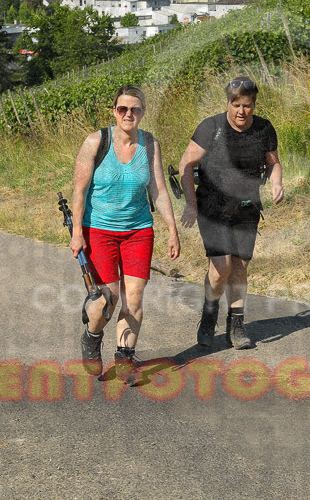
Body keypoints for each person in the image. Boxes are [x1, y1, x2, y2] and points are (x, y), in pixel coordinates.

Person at [69, 85, 180, 372]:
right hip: (100, 230)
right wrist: (77, 233)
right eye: (123, 109)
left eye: (135, 109)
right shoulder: (96, 142)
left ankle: (124, 358)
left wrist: (172, 230)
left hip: (138, 230)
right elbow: (79, 192)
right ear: (114, 111)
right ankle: (92, 337)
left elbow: (158, 190)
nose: (128, 114)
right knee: (108, 299)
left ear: (142, 112)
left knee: (134, 296)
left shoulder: (150, 144)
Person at [178, 76, 283, 349]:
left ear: (253, 105)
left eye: (247, 106)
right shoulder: (210, 127)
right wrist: (191, 204)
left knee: (240, 267)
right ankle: (209, 316)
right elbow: (186, 165)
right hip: (212, 206)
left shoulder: (263, 129)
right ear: (228, 102)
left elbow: (273, 163)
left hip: (246, 207)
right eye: (236, 104)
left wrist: (276, 183)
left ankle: (236, 325)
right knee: (220, 268)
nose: (241, 111)